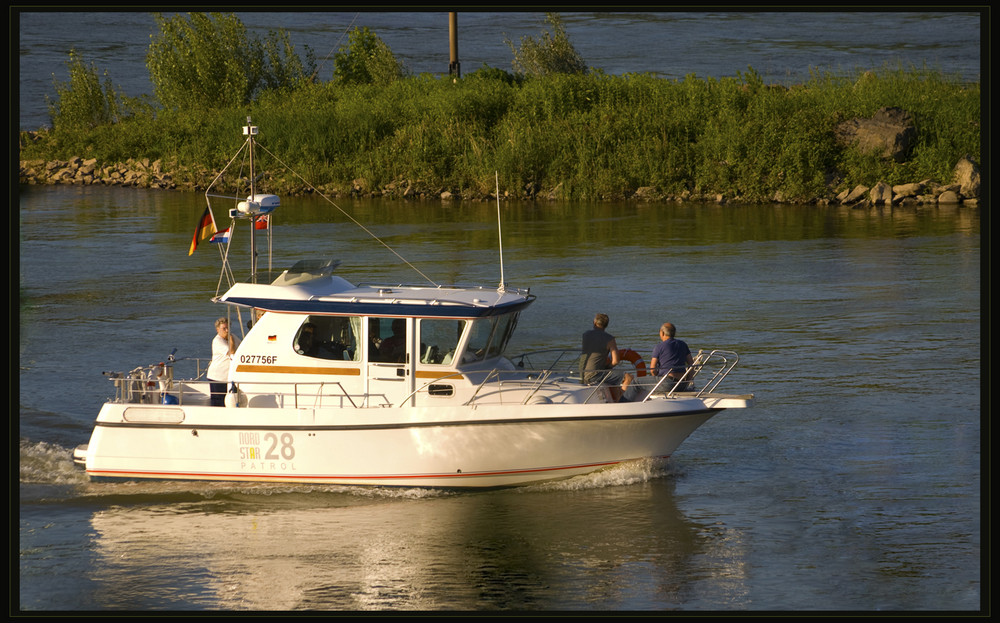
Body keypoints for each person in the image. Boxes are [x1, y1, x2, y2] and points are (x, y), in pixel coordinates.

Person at [580, 313, 633, 402]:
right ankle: (622, 402)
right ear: (606, 325)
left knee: (611, 376)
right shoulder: (609, 339)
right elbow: (616, 361)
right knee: (628, 377)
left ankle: (616, 399)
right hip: (595, 375)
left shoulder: (585, 335)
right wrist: (608, 366)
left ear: (594, 322)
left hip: (582, 373)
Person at [650, 322, 694, 391]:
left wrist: (656, 380)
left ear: (662, 333)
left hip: (667, 383)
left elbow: (652, 369)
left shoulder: (659, 347)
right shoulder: (683, 344)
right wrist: (687, 381)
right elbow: (691, 364)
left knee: (636, 382)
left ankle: (628, 400)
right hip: (681, 383)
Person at [207, 317, 240, 406]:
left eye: (228, 328)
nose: (227, 330)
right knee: (218, 403)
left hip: (228, 377)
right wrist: (231, 339)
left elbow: (241, 348)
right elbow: (231, 352)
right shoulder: (218, 341)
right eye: (224, 328)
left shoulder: (233, 336)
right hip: (217, 377)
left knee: (228, 401)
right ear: (218, 330)